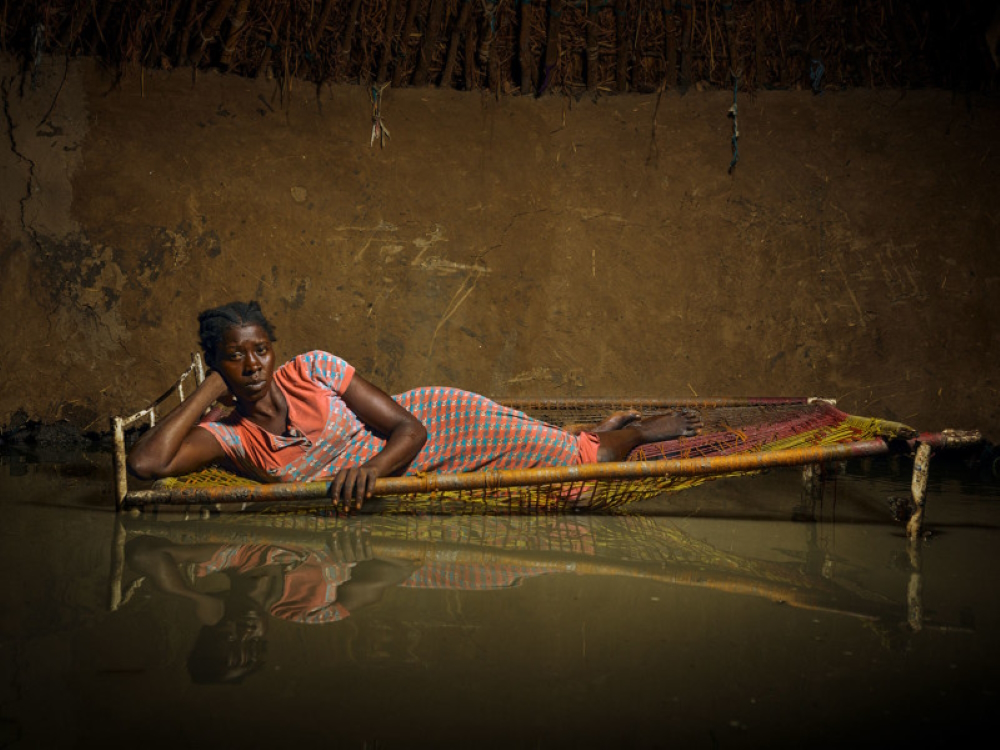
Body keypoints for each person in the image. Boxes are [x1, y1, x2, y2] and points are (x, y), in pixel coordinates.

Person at [127, 301, 702, 510]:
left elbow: (409, 427)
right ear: (216, 363)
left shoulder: (314, 369)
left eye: (260, 350)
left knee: (573, 461)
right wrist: (207, 392)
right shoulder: (230, 437)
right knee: (523, 488)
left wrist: (368, 471)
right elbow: (145, 467)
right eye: (235, 357)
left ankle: (621, 437)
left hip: (429, 429)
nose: (252, 366)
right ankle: (592, 434)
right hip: (409, 470)